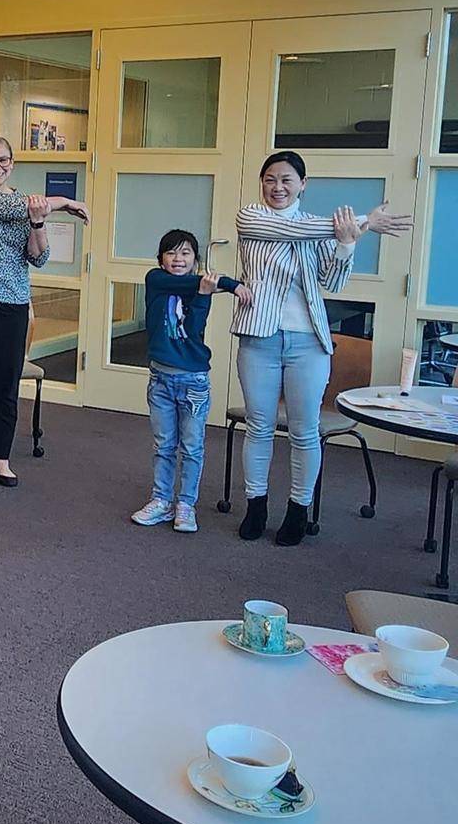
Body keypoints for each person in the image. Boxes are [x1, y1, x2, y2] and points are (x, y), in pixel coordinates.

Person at [232, 150, 411, 545]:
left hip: (308, 342)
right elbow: (292, 232)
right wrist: (365, 223)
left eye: (286, 180)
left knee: (304, 430)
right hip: (259, 337)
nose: (277, 187)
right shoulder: (251, 217)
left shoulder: (320, 228)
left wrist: (348, 244)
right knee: (259, 426)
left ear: (303, 184)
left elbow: (332, 281)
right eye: (270, 179)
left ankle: (298, 509)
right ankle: (255, 505)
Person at [0, 135, 90, 487]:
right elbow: (5, 210)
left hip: (13, 306)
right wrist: (65, 202)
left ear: (12, 163)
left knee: (6, 386)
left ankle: (2, 459)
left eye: (2, 161)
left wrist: (40, 222)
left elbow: (38, 257)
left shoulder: (29, 206)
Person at [130, 229, 251, 533]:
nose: (178, 259)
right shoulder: (156, 280)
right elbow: (184, 283)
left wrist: (206, 294)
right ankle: (161, 500)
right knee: (164, 444)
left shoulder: (200, 290)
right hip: (160, 379)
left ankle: (186, 504)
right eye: (171, 253)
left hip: (193, 381)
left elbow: (194, 327)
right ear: (160, 259)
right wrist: (232, 285)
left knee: (192, 446)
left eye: (186, 253)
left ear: (196, 260)